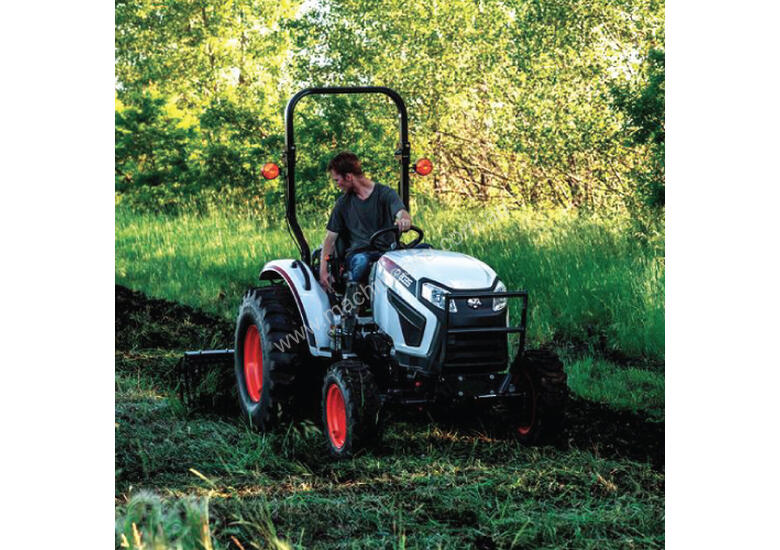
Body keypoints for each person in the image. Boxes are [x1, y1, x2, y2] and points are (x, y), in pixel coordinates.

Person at [319, 151, 413, 291]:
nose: (337, 185)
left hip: (388, 252)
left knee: (425, 250)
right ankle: (353, 301)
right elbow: (330, 239)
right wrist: (323, 270)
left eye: (337, 180)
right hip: (358, 255)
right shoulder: (343, 204)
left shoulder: (385, 193)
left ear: (349, 177)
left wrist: (404, 220)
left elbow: (401, 212)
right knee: (362, 261)